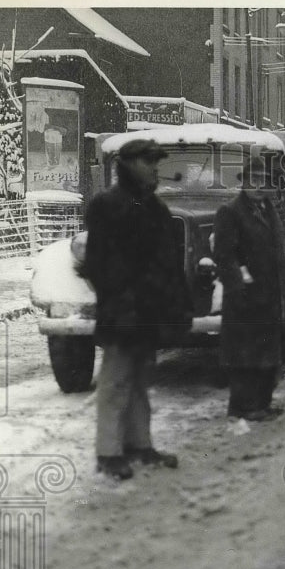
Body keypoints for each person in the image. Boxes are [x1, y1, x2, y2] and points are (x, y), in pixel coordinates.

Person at [82, 138, 191, 480]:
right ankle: (109, 452)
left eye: (156, 162)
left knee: (141, 380)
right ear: (127, 164)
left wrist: (175, 304)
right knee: (114, 381)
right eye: (148, 161)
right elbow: (98, 263)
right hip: (121, 311)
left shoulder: (155, 207)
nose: (155, 167)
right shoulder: (107, 205)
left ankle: (140, 445)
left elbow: (169, 263)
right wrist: (121, 301)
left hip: (148, 311)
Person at [213, 154, 285, 421]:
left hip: (271, 297)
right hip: (246, 300)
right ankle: (242, 407)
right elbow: (225, 256)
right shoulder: (230, 212)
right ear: (243, 182)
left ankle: (262, 403)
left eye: (264, 180)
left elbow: (280, 254)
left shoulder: (269, 211)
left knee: (268, 353)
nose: (259, 185)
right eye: (253, 180)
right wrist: (241, 285)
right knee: (245, 356)